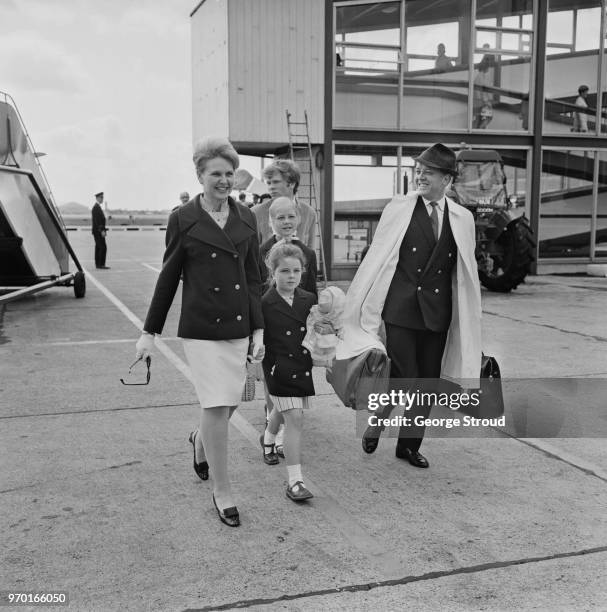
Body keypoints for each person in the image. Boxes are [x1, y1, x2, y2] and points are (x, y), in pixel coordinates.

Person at [134, 137, 264, 528]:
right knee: (216, 405)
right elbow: (169, 277)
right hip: (202, 328)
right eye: (215, 174)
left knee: (227, 405)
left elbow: (255, 277)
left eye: (228, 174)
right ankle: (222, 490)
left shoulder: (247, 218)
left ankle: (199, 439)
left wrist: (259, 328)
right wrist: (149, 332)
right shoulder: (183, 219)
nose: (223, 181)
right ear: (200, 176)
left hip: (239, 324)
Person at [336, 143, 482, 469]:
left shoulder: (463, 218)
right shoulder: (399, 209)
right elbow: (379, 256)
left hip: (437, 314)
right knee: (406, 377)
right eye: (419, 171)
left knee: (427, 383)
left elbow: (465, 273)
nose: (421, 176)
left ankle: (408, 446)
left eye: (428, 173)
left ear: (447, 179)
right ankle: (378, 421)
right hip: (400, 309)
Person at [260, 243, 317, 501]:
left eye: (296, 270)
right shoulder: (264, 303)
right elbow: (259, 340)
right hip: (278, 368)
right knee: (294, 417)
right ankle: (295, 482)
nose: (291, 276)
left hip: (302, 366)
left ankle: (269, 437)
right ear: (273, 272)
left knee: (282, 411)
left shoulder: (309, 299)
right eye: (284, 271)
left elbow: (316, 331)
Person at [251, 159, 317, 250]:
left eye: (276, 182)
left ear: (292, 184)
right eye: (269, 183)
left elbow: (311, 252)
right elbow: (251, 252)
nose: (271, 187)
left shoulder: (309, 212)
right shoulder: (255, 212)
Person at [259, 197, 317, 295]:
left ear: (298, 219)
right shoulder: (260, 253)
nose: (286, 221)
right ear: (271, 221)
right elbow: (257, 290)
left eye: (291, 216)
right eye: (281, 217)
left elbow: (311, 292)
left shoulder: (308, 254)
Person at [91, 191, 109, 269]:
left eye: (103, 197)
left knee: (99, 247)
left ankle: (98, 264)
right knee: (102, 247)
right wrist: (102, 230)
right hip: (98, 231)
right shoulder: (96, 208)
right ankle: (100, 264)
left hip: (97, 231)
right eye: (101, 197)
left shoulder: (97, 207)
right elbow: (97, 221)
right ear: (97, 198)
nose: (102, 199)